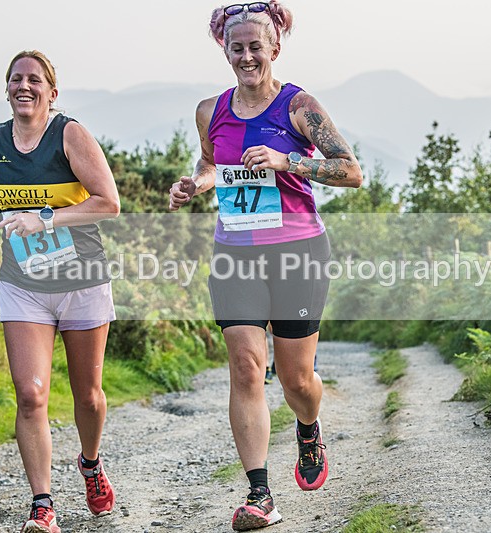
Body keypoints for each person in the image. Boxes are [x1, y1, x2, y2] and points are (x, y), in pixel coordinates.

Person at [169, 3, 362, 530]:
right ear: (224, 51)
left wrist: (286, 161)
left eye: (257, 46)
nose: (247, 56)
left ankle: (308, 426)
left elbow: (351, 172)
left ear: (275, 47)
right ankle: (260, 495)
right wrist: (196, 184)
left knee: (297, 379)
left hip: (298, 251)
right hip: (235, 251)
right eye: (238, 48)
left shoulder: (299, 107)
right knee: (246, 365)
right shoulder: (211, 110)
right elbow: (212, 164)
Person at [0, 50, 120, 533]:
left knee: (90, 396)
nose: (24, 86)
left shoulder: (70, 134)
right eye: (16, 78)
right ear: (7, 88)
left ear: (51, 92)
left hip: (81, 280)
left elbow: (109, 203)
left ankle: (91, 464)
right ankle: (42, 503)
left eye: (34, 79)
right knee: (30, 394)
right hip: (23, 285)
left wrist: (45, 218)